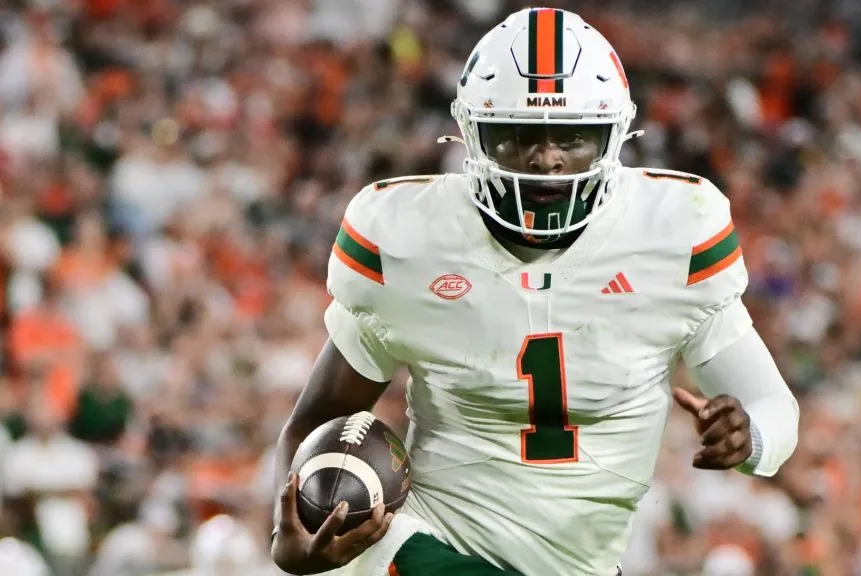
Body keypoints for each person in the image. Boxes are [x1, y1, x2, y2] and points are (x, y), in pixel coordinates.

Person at [270, 7, 799, 576]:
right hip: (427, 548)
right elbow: (318, 418)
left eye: (571, 135)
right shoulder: (408, 239)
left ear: (613, 135)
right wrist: (288, 531)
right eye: (518, 135)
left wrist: (751, 438)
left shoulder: (675, 235)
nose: (545, 156)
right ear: (473, 133)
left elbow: (775, 411)